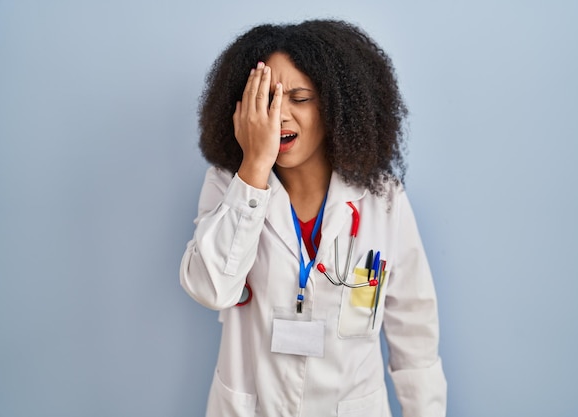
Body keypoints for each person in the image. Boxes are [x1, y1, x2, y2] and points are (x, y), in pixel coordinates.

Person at [180, 19, 447, 417]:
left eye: (299, 98)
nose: (279, 115)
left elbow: (415, 333)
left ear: (335, 107)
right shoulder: (227, 186)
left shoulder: (382, 199)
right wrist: (253, 168)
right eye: (265, 99)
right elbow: (209, 288)